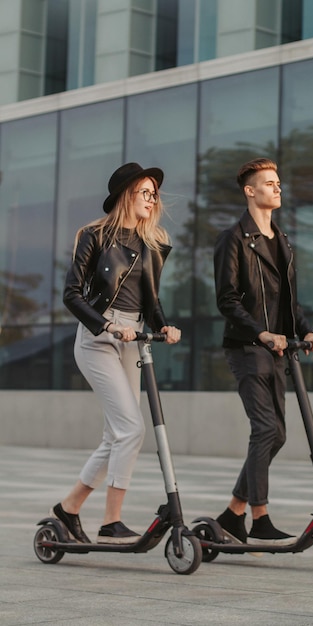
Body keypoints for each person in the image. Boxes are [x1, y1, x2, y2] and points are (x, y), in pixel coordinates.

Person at [51, 162, 181, 545]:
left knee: (116, 436)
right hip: (99, 338)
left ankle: (69, 508)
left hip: (134, 336)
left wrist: (163, 326)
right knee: (132, 429)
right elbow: (72, 295)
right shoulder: (93, 235)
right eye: (145, 192)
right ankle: (111, 521)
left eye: (154, 193)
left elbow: (151, 300)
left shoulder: (152, 241)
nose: (152, 199)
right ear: (127, 194)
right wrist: (107, 326)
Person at [213, 157, 313, 547]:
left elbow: (289, 305)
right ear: (250, 191)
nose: (278, 188)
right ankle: (259, 516)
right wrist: (261, 333)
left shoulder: (283, 242)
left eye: (279, 182)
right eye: (269, 183)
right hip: (248, 347)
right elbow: (227, 300)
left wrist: (307, 331)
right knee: (266, 429)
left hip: (278, 351)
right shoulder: (233, 238)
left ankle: (232, 513)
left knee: (276, 435)